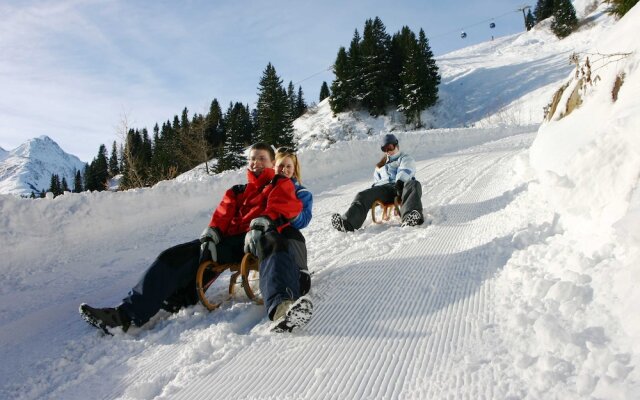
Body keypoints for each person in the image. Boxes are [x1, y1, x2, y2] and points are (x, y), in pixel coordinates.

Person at [79, 143, 313, 334]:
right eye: (252, 158)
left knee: (275, 243)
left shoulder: (280, 183)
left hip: (260, 237)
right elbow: (221, 216)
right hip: (231, 243)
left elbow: (285, 205)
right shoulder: (237, 191)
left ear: (272, 163)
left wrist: (264, 221)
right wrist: (212, 233)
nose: (256, 163)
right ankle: (125, 316)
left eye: (262, 158)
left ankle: (282, 307)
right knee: (173, 255)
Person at [331, 134, 424, 231]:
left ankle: (410, 218)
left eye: (390, 147)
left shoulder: (404, 158)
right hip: (385, 190)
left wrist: (400, 182)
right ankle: (347, 224)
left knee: (414, 184)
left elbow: (406, 169)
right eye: (385, 149)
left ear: (396, 145)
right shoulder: (380, 166)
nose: (388, 151)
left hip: (403, 187)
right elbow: (376, 182)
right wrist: (371, 193)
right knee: (362, 195)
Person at [274, 147, 313, 294]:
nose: (284, 169)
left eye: (288, 166)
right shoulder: (266, 188)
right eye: (281, 165)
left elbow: (304, 220)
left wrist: (292, 214)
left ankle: (300, 272)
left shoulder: (302, 193)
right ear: (274, 167)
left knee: (292, 236)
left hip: (287, 230)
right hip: (267, 229)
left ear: (294, 169)